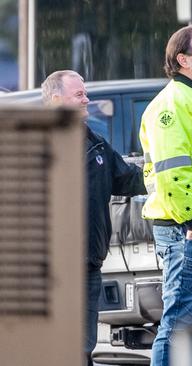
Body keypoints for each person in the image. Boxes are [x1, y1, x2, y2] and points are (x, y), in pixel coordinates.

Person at [42, 70, 147, 366]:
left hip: (88, 263)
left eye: (85, 93)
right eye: (79, 95)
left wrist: (162, 175)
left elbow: (127, 179)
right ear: (56, 99)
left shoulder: (95, 142)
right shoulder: (34, 144)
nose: (87, 100)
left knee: (82, 346)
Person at [139, 24, 192, 366]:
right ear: (183, 60)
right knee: (181, 318)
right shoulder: (173, 103)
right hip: (186, 228)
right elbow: (171, 172)